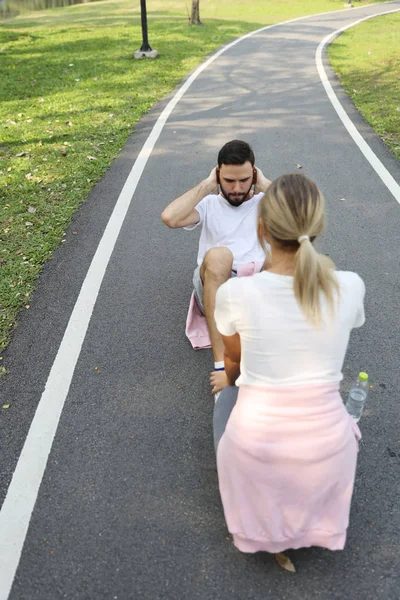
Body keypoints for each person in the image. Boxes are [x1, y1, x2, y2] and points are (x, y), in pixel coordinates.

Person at [213, 173, 366, 555]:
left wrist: (228, 382)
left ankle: (254, 520)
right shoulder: (350, 286)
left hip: (256, 447)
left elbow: (233, 360)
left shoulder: (236, 293)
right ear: (318, 227)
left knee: (226, 396)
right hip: (329, 450)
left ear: (261, 228)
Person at [161, 140, 271, 395]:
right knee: (220, 256)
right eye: (229, 180)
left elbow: (302, 216)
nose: (236, 188)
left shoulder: (267, 200)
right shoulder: (209, 204)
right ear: (218, 174)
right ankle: (223, 369)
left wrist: (265, 184)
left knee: (287, 250)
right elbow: (170, 217)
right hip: (216, 285)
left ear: (253, 174)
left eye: (244, 180)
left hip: (255, 287)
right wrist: (208, 185)